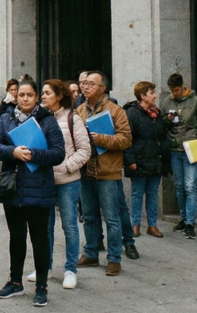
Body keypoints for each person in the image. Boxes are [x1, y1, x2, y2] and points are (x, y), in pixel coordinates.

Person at [0, 79, 65, 307]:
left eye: (29, 95)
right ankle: (15, 281)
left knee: (40, 239)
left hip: (39, 189)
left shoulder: (48, 121)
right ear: (15, 96)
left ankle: (41, 285)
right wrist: (13, 152)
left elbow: (58, 153)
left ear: (36, 97)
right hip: (13, 189)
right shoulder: (6, 118)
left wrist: (32, 153)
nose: (24, 99)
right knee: (16, 238)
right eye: (21, 95)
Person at [76, 71, 132, 277]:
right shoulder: (79, 110)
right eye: (84, 84)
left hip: (107, 172)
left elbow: (126, 140)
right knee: (89, 216)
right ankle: (91, 252)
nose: (85, 87)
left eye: (91, 84)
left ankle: (114, 259)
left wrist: (102, 139)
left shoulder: (115, 111)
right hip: (85, 171)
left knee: (112, 218)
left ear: (102, 89)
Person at [40, 79, 90, 290]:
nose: (42, 96)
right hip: (44, 180)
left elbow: (84, 150)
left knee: (69, 225)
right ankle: (46, 267)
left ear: (59, 96)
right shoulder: (41, 117)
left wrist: (67, 166)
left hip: (68, 181)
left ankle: (70, 269)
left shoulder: (72, 118)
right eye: (42, 93)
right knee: (45, 227)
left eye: (47, 93)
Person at [159, 73, 197, 239]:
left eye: (176, 90)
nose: (174, 94)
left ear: (183, 87)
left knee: (190, 186)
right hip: (175, 148)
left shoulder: (196, 102)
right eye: (171, 91)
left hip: (191, 148)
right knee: (180, 186)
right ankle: (183, 218)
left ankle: (190, 222)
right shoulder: (167, 102)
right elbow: (162, 125)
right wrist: (167, 119)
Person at [124, 81, 168, 238]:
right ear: (142, 96)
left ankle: (152, 225)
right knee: (137, 193)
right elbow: (127, 138)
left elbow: (161, 135)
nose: (155, 95)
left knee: (153, 193)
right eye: (151, 93)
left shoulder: (157, 113)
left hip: (155, 158)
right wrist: (130, 160)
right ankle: (135, 224)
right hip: (140, 159)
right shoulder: (132, 113)